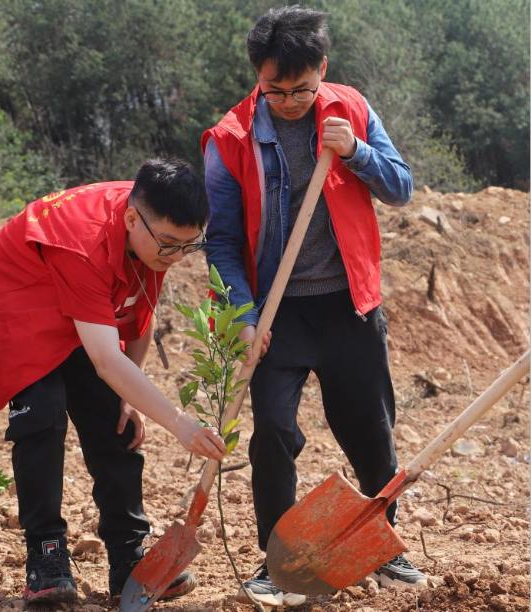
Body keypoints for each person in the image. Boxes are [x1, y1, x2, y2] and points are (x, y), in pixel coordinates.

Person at [202, 6, 426, 608]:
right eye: (276, 89)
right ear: (258, 76)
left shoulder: (349, 108)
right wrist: (245, 318)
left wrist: (355, 151)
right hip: (276, 313)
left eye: (302, 88)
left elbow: (401, 186)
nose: (291, 100)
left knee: (370, 432)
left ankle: (384, 545)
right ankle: (275, 563)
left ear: (322, 69)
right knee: (272, 432)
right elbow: (220, 241)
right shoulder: (230, 140)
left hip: (348, 304)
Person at [0, 159, 226, 605]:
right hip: (14, 300)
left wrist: (131, 397)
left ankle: (128, 557)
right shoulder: (84, 242)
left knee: (115, 421)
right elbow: (105, 359)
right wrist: (181, 425)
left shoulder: (154, 231)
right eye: (170, 245)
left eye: (189, 245)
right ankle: (46, 556)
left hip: (79, 307)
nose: (177, 256)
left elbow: (140, 308)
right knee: (42, 417)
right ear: (130, 220)